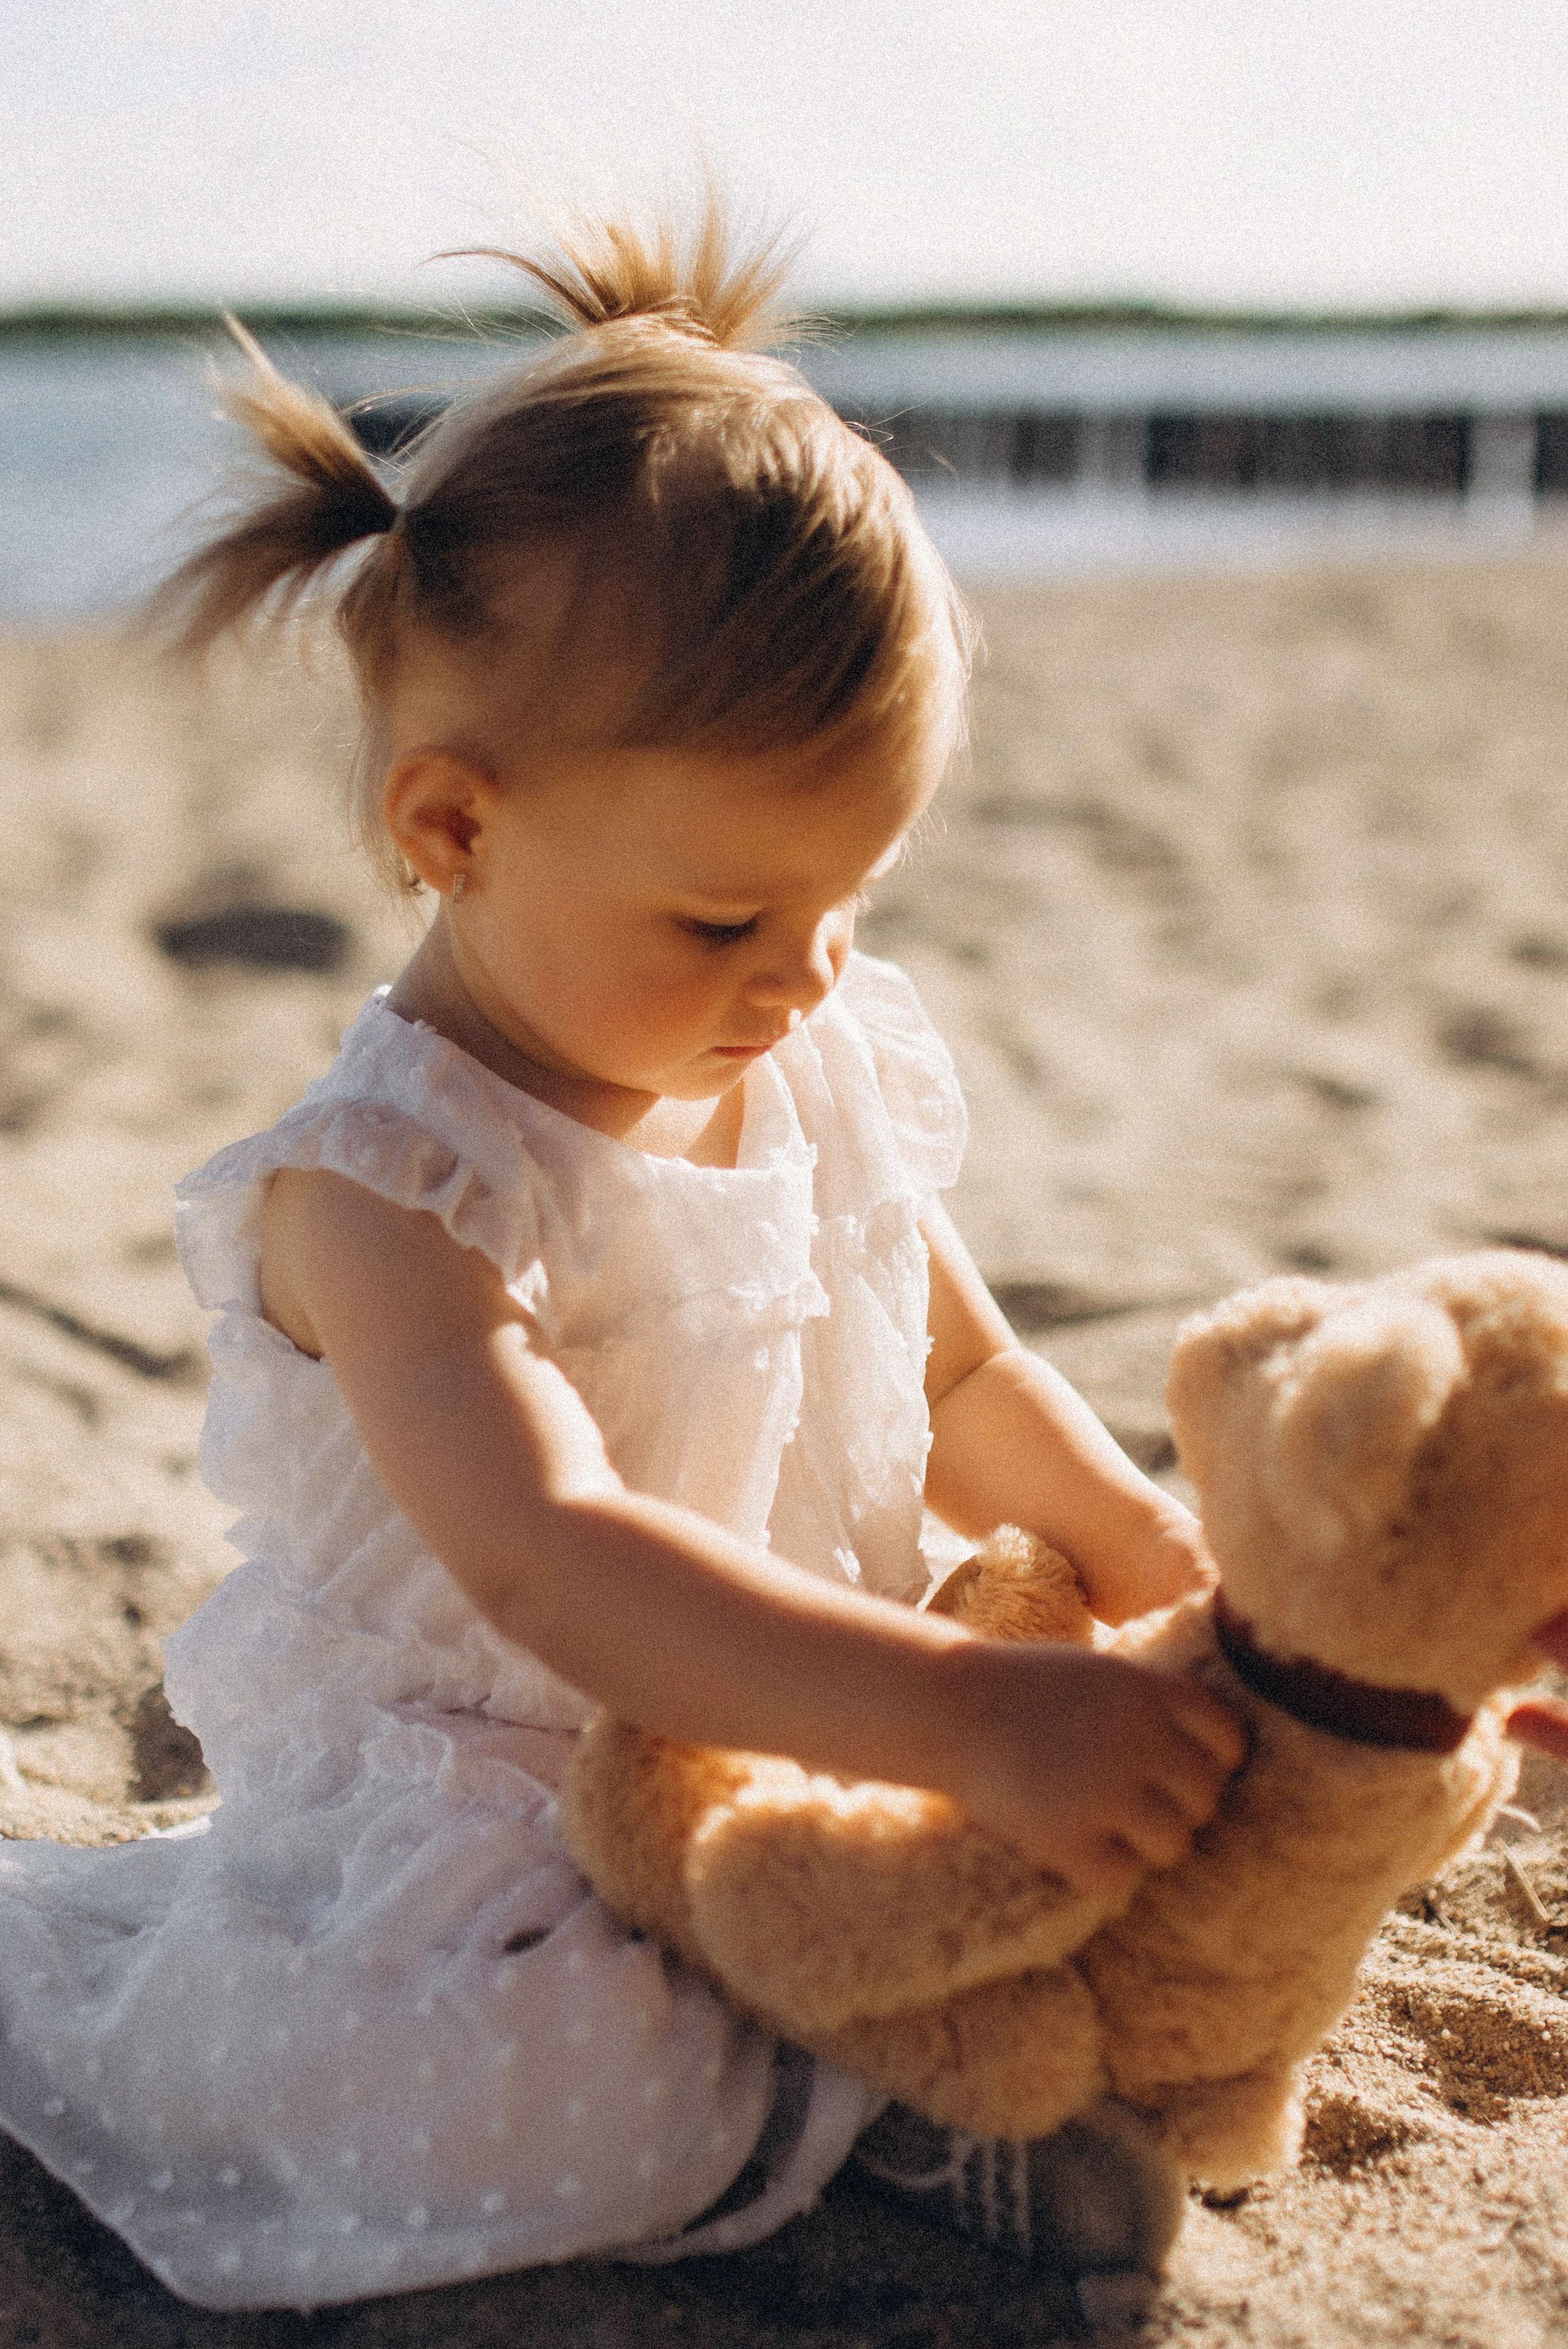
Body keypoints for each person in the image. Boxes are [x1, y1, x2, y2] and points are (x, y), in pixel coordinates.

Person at [0, 198, 1248, 2312]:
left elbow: (957, 1375)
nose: (803, 976)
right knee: (548, 2055)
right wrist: (956, 1709)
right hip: (499, 1810)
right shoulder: (390, 1194)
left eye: (849, 900)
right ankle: (893, 2132)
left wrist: (1138, 1549)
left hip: (803, 1721)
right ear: (454, 829)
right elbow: (550, 1556)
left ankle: (902, 2081)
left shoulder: (816, 1049)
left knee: (1084, 1829)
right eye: (726, 922)